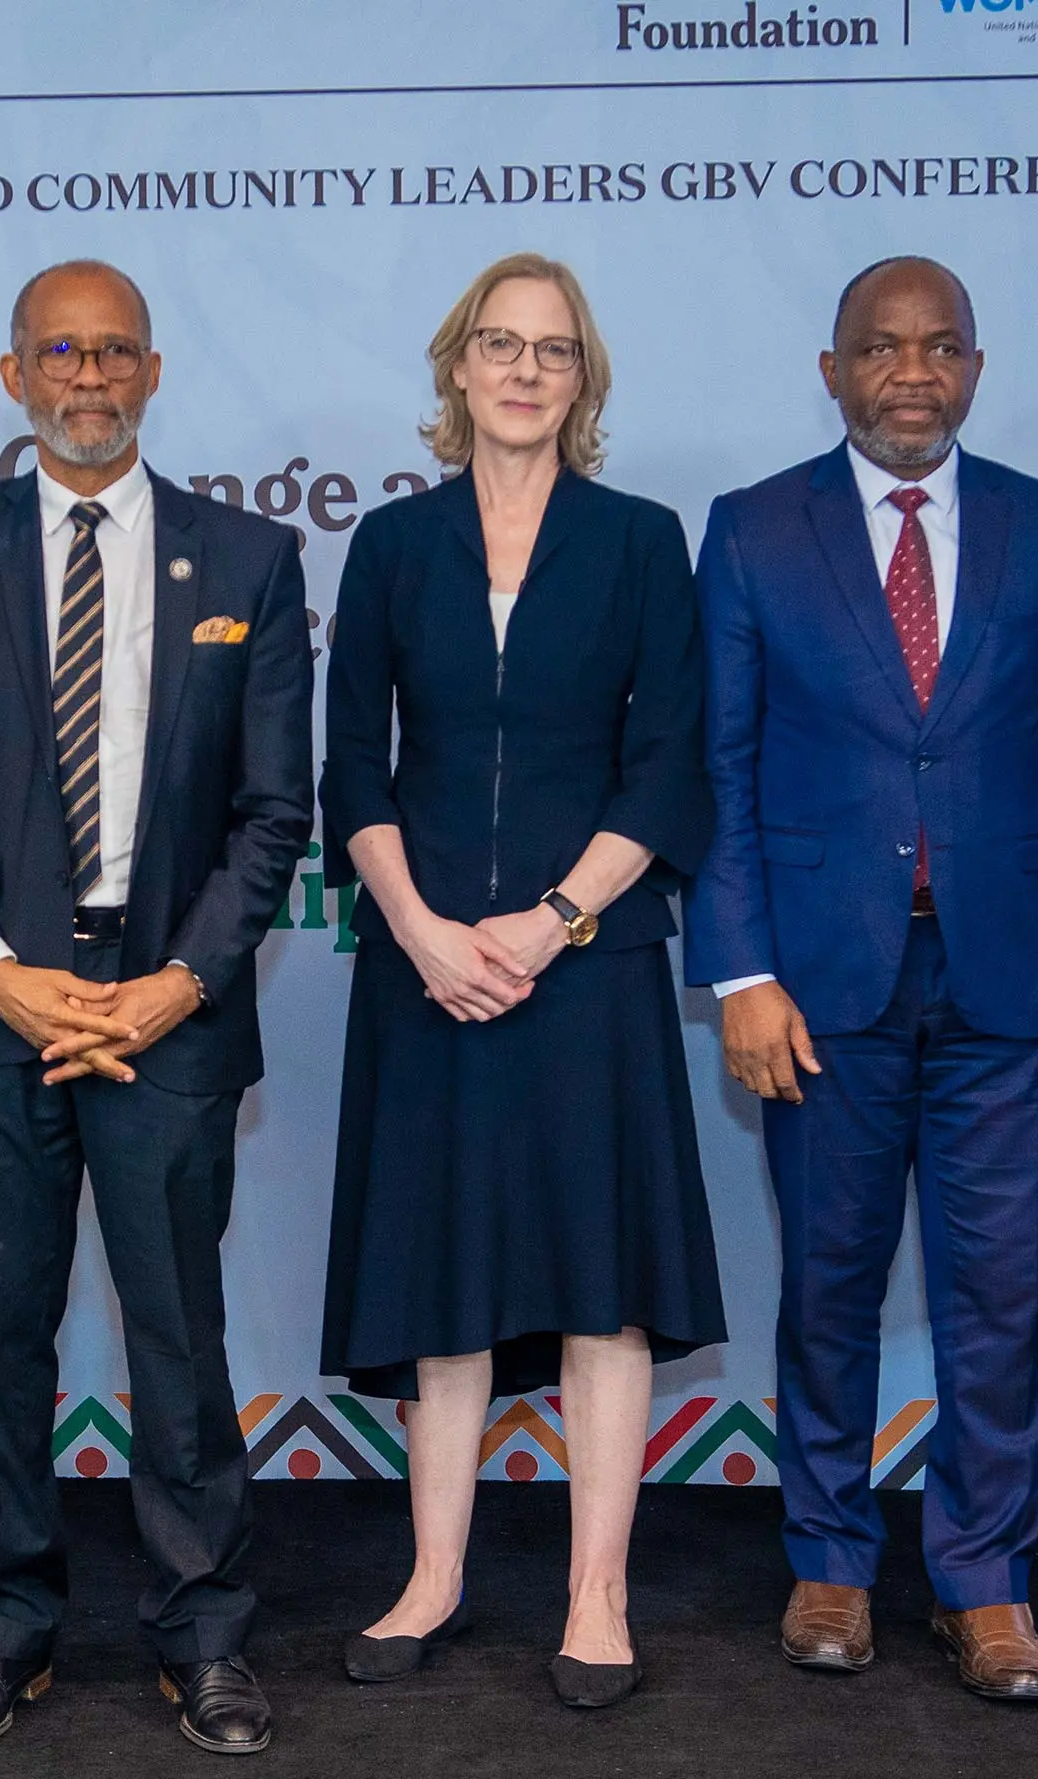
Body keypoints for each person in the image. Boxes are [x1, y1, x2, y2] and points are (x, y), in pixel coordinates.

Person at [0, 259, 312, 1757]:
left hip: (171, 1006)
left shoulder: (245, 561)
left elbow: (272, 815)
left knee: (176, 1333)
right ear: (13, 377)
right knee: (4, 1329)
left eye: (114, 350)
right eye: (59, 351)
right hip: (2, 1007)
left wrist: (174, 983)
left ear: (153, 371)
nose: (87, 376)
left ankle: (204, 1631)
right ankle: (5, 1625)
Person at [683, 258, 1038, 1703]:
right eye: (882, 348)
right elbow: (723, 768)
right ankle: (826, 1555)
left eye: (939, 348)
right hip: (819, 983)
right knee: (829, 1282)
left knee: (997, 1292)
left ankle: (984, 1582)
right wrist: (739, 970)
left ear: (975, 367)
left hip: (1007, 981)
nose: (911, 372)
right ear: (832, 368)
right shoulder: (751, 531)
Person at [317, 252, 721, 1710]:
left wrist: (552, 919)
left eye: (553, 349)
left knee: (599, 1288)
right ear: (457, 367)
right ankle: (430, 1579)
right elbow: (351, 760)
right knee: (444, 1284)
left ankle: (594, 1593)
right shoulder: (390, 546)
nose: (525, 369)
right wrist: (423, 929)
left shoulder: (635, 540)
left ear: (582, 378)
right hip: (420, 967)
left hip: (587, 965)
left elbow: (670, 760)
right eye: (500, 343)